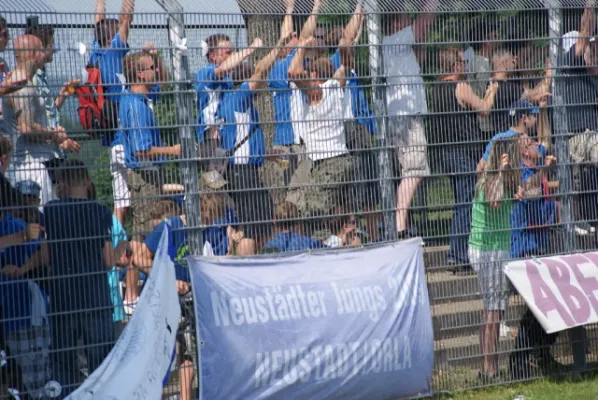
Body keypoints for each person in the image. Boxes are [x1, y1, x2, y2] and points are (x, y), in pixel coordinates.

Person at [43, 159, 129, 396]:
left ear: (62, 183)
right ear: (87, 181)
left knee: (63, 365)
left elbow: (46, 256)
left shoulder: (50, 211)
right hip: (95, 300)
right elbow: (109, 260)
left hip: (63, 301)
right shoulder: (99, 211)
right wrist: (123, 243)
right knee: (101, 365)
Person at [215, 32, 294, 254]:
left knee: (264, 220)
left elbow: (239, 138)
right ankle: (246, 268)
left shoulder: (232, 100)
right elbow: (261, 70)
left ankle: (249, 258)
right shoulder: (240, 96)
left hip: (244, 169)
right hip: (242, 172)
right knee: (252, 226)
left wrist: (266, 155)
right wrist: (278, 45)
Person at [117, 50, 178, 312]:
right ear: (140, 73)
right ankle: (134, 295)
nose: (156, 70)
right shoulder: (137, 106)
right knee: (142, 238)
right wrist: (173, 151)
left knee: (142, 235)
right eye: (151, 67)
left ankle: (133, 293)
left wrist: (158, 57)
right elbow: (142, 149)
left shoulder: (136, 97)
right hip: (145, 176)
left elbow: (163, 81)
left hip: (147, 175)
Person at [429, 48, 498, 274]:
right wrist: (493, 90)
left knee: (462, 199)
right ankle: (458, 254)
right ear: (456, 67)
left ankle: (458, 253)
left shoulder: (436, 89)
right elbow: (485, 110)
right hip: (461, 151)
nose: (466, 67)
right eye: (463, 63)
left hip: (446, 152)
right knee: (466, 200)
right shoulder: (460, 86)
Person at [287, 36, 356, 231]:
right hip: (343, 158)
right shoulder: (336, 85)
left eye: (309, 73)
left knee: (315, 213)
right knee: (341, 214)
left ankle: (323, 248)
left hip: (325, 163)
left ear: (315, 75)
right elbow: (347, 63)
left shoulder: (315, 92)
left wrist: (301, 47)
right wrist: (346, 45)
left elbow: (292, 71)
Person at [381, 0, 437, 238]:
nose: (409, 21)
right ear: (395, 23)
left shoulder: (392, 46)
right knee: (414, 170)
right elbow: (424, 23)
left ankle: (400, 223)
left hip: (401, 115)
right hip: (406, 116)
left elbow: (420, 50)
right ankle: (399, 226)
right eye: (405, 17)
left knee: (411, 171)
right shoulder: (395, 40)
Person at [3, 35, 74, 207]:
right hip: (28, 169)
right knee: (41, 222)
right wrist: (54, 134)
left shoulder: (23, 81)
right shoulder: (21, 84)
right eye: (43, 50)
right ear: (35, 53)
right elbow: (26, 128)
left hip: (33, 164)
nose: (46, 54)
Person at [195, 33, 262, 145]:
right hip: (211, 139)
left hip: (226, 135)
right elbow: (222, 69)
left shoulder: (228, 79)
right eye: (228, 52)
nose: (234, 55)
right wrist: (251, 49)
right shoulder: (205, 72)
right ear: (213, 56)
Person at [463, 18, 497, 136]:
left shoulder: (477, 61)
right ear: (486, 40)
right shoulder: (482, 63)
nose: (496, 38)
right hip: (486, 124)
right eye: (493, 35)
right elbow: (486, 89)